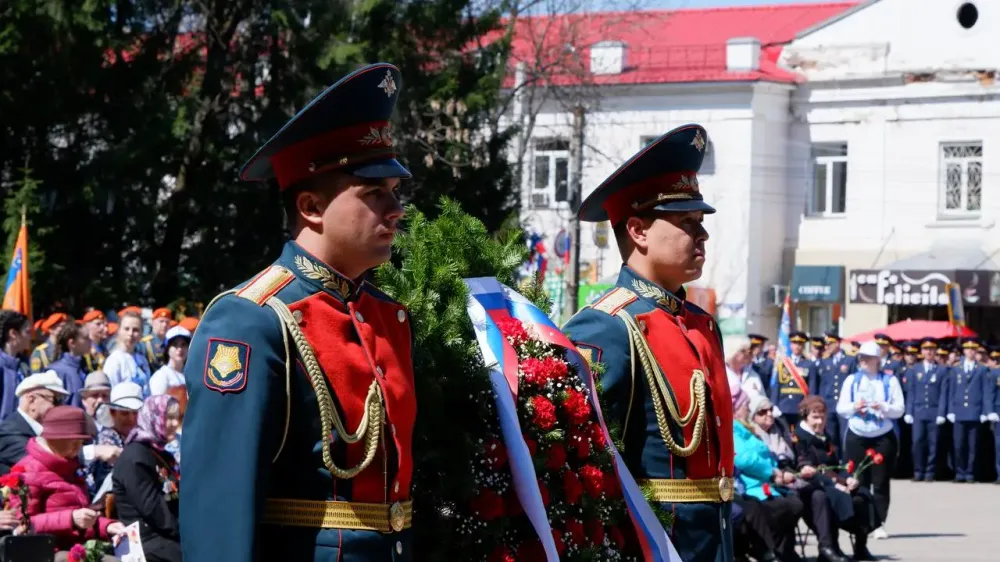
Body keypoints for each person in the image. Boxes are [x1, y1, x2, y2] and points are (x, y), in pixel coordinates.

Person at [180, 63, 417, 561]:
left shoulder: (384, 315)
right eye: (374, 193)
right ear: (310, 206)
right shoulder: (250, 320)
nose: (395, 209)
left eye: (395, 193)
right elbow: (219, 505)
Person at [561, 124, 734, 562]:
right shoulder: (606, 327)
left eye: (700, 222)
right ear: (637, 231)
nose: (703, 235)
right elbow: (587, 465)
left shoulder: (700, 324)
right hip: (653, 544)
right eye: (685, 222)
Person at [8, 405, 124, 559]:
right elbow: (23, 525)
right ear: (55, 439)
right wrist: (70, 519)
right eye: (74, 441)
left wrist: (108, 526)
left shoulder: (71, 466)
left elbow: (83, 518)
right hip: (51, 553)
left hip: (81, 549)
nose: (79, 446)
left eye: (81, 441)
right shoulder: (28, 471)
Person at [793, 396, 878, 562]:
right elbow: (803, 467)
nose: (820, 421)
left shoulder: (827, 436)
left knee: (863, 496)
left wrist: (848, 479)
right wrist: (833, 483)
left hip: (835, 482)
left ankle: (861, 546)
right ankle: (831, 547)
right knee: (831, 497)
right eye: (815, 417)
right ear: (806, 417)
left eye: (823, 417)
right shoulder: (799, 438)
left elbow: (837, 464)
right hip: (813, 485)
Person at [836, 341, 904, 541]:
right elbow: (841, 408)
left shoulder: (889, 381)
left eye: (868, 358)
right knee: (859, 480)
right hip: (858, 434)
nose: (863, 361)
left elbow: (899, 409)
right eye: (861, 357)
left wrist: (882, 406)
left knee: (881, 481)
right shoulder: (851, 380)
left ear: (877, 360)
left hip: (882, 435)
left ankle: (879, 523)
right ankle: (863, 522)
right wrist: (855, 407)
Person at [733, 388, 803, 562]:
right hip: (752, 483)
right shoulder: (734, 429)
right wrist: (772, 473)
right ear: (736, 408)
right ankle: (770, 552)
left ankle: (782, 551)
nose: (748, 409)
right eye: (745, 406)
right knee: (780, 507)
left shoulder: (744, 428)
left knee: (794, 503)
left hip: (767, 480)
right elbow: (744, 459)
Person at [112, 394, 182, 562]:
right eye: (169, 418)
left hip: (164, 535)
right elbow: (153, 510)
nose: (175, 424)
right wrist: (187, 533)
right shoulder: (136, 457)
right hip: (144, 541)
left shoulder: (157, 453)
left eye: (176, 418)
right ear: (154, 418)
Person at [0, 371, 69, 473]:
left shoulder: (45, 430)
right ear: (31, 401)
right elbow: (45, 461)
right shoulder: (9, 432)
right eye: (55, 400)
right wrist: (91, 452)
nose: (59, 407)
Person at [945, 339, 990, 483]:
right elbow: (951, 391)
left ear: (976, 351)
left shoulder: (982, 369)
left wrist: (985, 411)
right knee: (958, 444)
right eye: (967, 349)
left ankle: (970, 472)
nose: (970, 352)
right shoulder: (956, 368)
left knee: (973, 445)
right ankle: (959, 472)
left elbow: (985, 391)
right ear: (964, 351)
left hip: (975, 411)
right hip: (959, 411)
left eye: (973, 349)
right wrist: (950, 410)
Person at [903, 338, 947, 482]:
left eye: (932, 350)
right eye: (926, 350)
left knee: (933, 443)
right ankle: (918, 470)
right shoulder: (915, 369)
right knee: (917, 442)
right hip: (918, 411)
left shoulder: (941, 370)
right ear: (922, 352)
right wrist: (909, 411)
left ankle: (929, 472)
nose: (929, 352)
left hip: (934, 412)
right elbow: (911, 392)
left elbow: (943, 393)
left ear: (935, 352)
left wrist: (941, 413)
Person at [90, 382, 144, 493]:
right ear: (112, 412)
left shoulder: (142, 437)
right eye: (125, 413)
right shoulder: (107, 438)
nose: (131, 418)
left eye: (135, 413)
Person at [815, 331, 856, 449]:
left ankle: (846, 465)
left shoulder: (849, 360)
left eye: (830, 344)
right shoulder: (824, 361)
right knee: (831, 438)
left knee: (845, 436)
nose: (827, 347)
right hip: (829, 404)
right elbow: (822, 384)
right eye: (826, 344)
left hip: (844, 404)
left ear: (837, 343)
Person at [770, 331, 816, 427]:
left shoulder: (809, 364)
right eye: (794, 343)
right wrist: (774, 404)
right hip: (783, 404)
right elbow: (777, 385)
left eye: (800, 344)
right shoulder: (783, 363)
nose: (797, 346)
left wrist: (809, 405)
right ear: (790, 345)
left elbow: (812, 387)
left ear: (803, 346)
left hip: (800, 405)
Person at [102, 311, 152, 396]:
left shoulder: (142, 360)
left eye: (135, 330)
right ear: (119, 330)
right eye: (126, 329)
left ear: (141, 333)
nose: (130, 334)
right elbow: (109, 393)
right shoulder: (114, 361)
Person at [48, 323, 92, 407]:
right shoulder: (57, 371)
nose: (90, 341)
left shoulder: (83, 367)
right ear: (72, 343)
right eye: (86, 338)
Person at [0, 310, 33, 420]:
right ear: (13, 333)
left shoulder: (24, 365)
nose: (30, 337)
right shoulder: (2, 366)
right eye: (27, 332)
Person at [149, 326, 190, 396]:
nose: (180, 349)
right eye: (175, 345)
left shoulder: (189, 375)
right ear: (167, 349)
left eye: (183, 345)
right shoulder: (162, 375)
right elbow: (157, 404)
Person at [727, 335, 765, 400]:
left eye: (748, 351)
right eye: (743, 351)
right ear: (733, 351)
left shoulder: (753, 374)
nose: (748, 354)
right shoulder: (722, 374)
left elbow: (763, 399)